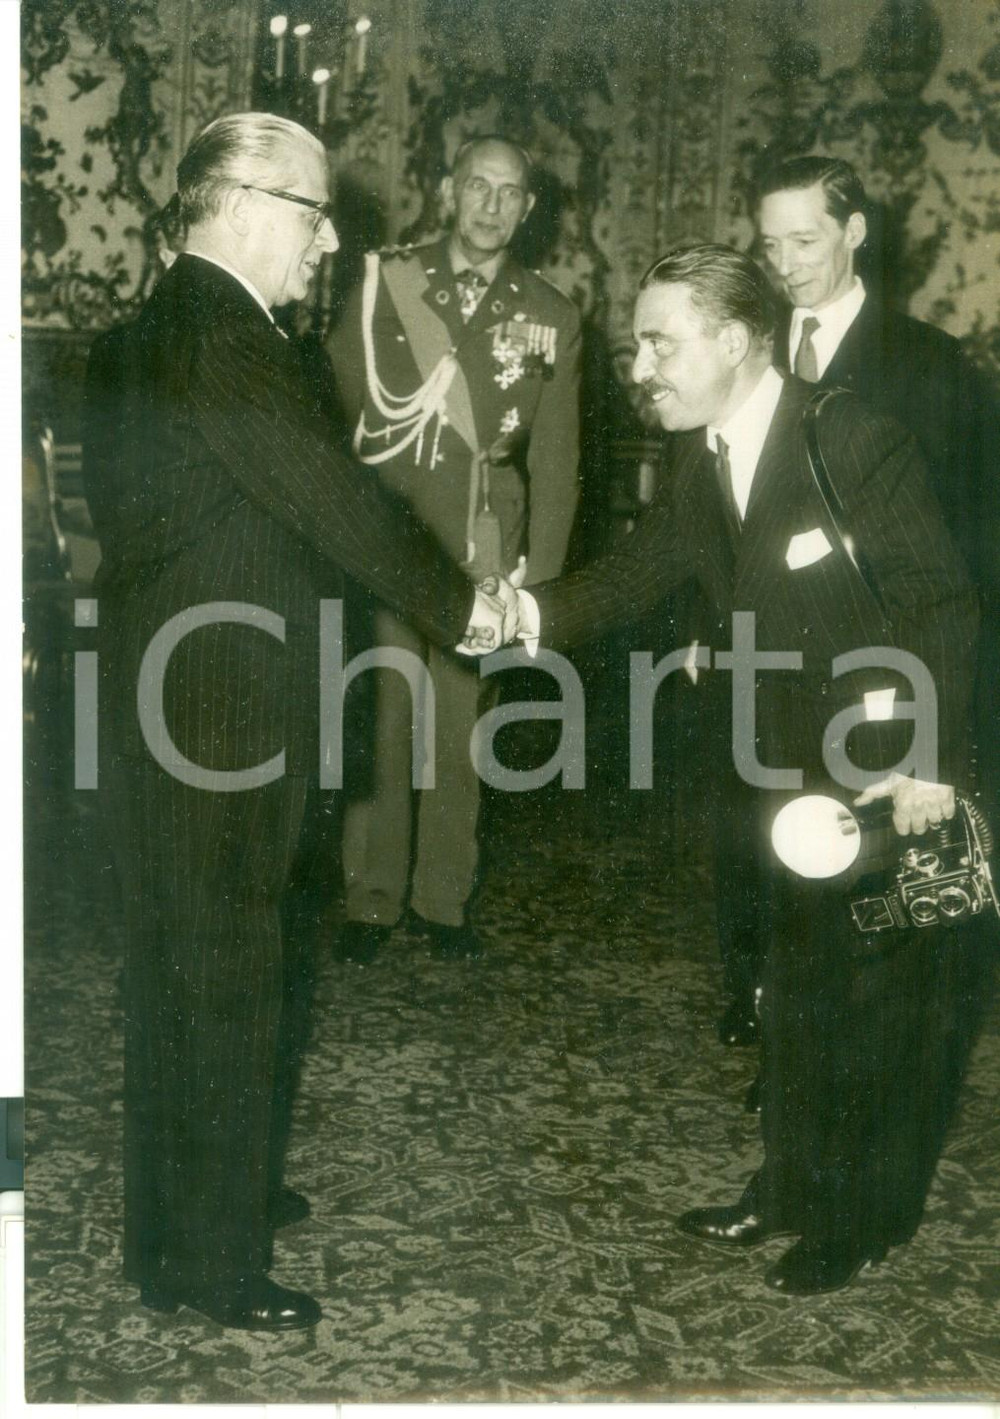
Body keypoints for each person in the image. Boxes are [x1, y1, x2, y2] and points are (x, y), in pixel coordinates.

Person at [484, 244, 981, 1295]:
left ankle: (860, 1217)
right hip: (780, 768)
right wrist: (523, 614)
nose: (639, 365)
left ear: (736, 340)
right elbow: (638, 572)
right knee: (794, 985)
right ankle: (789, 1188)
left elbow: (942, 602)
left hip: (881, 765)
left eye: (659, 341)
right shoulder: (710, 453)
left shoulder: (847, 434)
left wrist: (929, 764)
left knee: (874, 1000)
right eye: (637, 343)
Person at [85, 111, 505, 1333]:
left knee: (191, 964)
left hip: (185, 699)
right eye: (319, 217)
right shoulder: (228, 339)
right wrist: (464, 612)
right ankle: (201, 1262)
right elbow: (341, 511)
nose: (330, 246)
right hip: (219, 714)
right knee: (219, 969)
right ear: (245, 203)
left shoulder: (154, 330)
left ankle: (203, 1202)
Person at [699, 155, 1000, 1055]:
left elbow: (964, 543)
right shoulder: (745, 353)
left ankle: (814, 1050)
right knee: (750, 847)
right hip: (759, 663)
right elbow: (710, 512)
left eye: (805, 240)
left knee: (846, 899)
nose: (785, 263)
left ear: (855, 232)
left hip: (871, 673)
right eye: (769, 244)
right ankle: (759, 997)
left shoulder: (924, 363)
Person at [326, 135, 580, 962]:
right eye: (478, 186)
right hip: (391, 522)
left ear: (528, 209)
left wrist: (538, 577)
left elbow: (557, 455)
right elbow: (337, 404)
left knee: (459, 719)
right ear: (449, 190)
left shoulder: (551, 311)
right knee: (385, 705)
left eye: (510, 193)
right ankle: (370, 893)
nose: (492, 205)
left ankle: (442, 896)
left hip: (481, 535)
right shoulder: (386, 281)